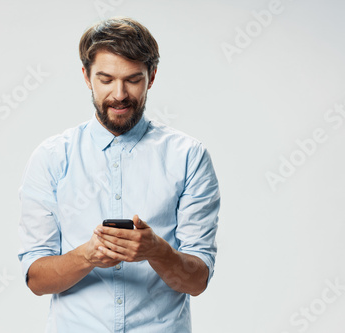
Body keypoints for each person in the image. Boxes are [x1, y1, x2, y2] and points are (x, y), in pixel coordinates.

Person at [18, 16, 220, 333]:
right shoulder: (52, 157)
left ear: (151, 77)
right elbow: (36, 280)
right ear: (86, 77)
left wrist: (157, 251)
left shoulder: (188, 157)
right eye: (106, 79)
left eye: (133, 79)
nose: (120, 94)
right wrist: (87, 256)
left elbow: (197, 282)